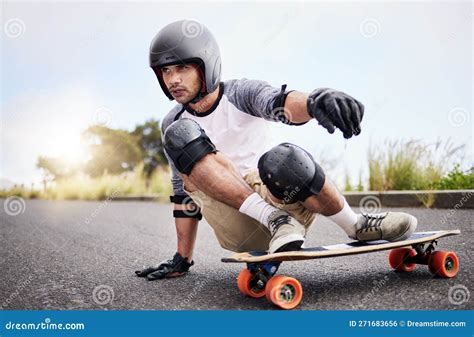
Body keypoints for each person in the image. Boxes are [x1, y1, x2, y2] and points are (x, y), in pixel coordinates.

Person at [135, 20, 417, 281]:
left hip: (286, 208)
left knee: (282, 158)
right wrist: (182, 259)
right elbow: (183, 193)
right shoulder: (172, 123)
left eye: (182, 68)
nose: (172, 79)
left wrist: (315, 103)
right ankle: (273, 220)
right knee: (181, 137)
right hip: (239, 221)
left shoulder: (239, 92)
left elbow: (279, 103)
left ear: (205, 65)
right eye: (166, 71)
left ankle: (354, 225)